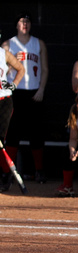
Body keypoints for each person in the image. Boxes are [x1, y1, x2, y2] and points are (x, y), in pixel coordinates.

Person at [1, 11, 49, 184]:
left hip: (34, 91)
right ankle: (7, 173)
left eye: (27, 21)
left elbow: (44, 69)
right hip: (15, 92)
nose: (25, 24)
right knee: (12, 133)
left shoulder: (38, 43)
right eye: (21, 21)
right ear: (16, 25)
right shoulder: (8, 44)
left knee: (36, 133)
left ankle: (39, 171)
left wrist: (42, 89)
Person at [0, 42, 25, 192]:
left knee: (1, 140)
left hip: (4, 101)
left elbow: (21, 68)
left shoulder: (4, 54)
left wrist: (13, 85)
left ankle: (5, 174)